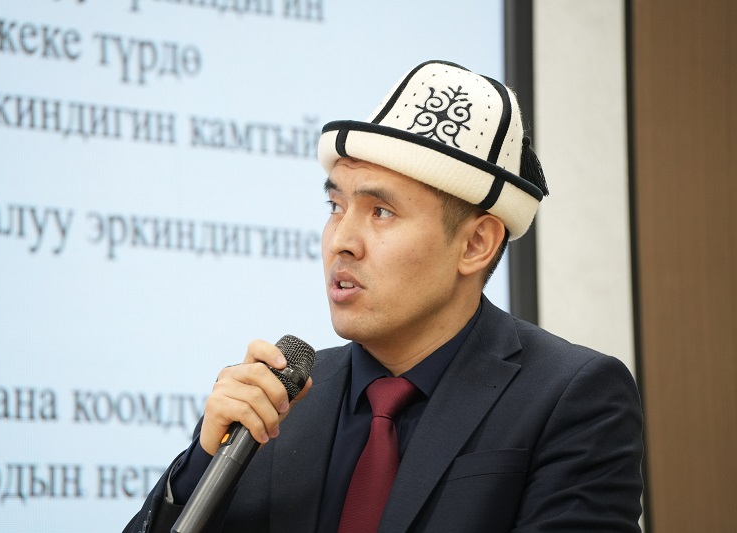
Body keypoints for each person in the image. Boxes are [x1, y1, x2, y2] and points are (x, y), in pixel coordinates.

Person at [124, 60, 643, 532]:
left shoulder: (571, 398)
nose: (341, 241)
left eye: (381, 212)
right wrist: (199, 468)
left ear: (475, 244)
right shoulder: (277, 402)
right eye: (335, 207)